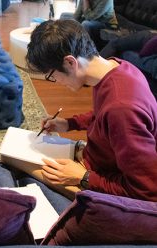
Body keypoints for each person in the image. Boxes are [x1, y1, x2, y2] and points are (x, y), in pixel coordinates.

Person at [26, 19, 157, 202]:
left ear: (70, 62)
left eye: (52, 75)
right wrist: (69, 123)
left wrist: (84, 177)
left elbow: (147, 190)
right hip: (94, 162)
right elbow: (102, 116)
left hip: (100, 179)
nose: (57, 82)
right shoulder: (117, 68)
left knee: (24, 170)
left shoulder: (122, 107)